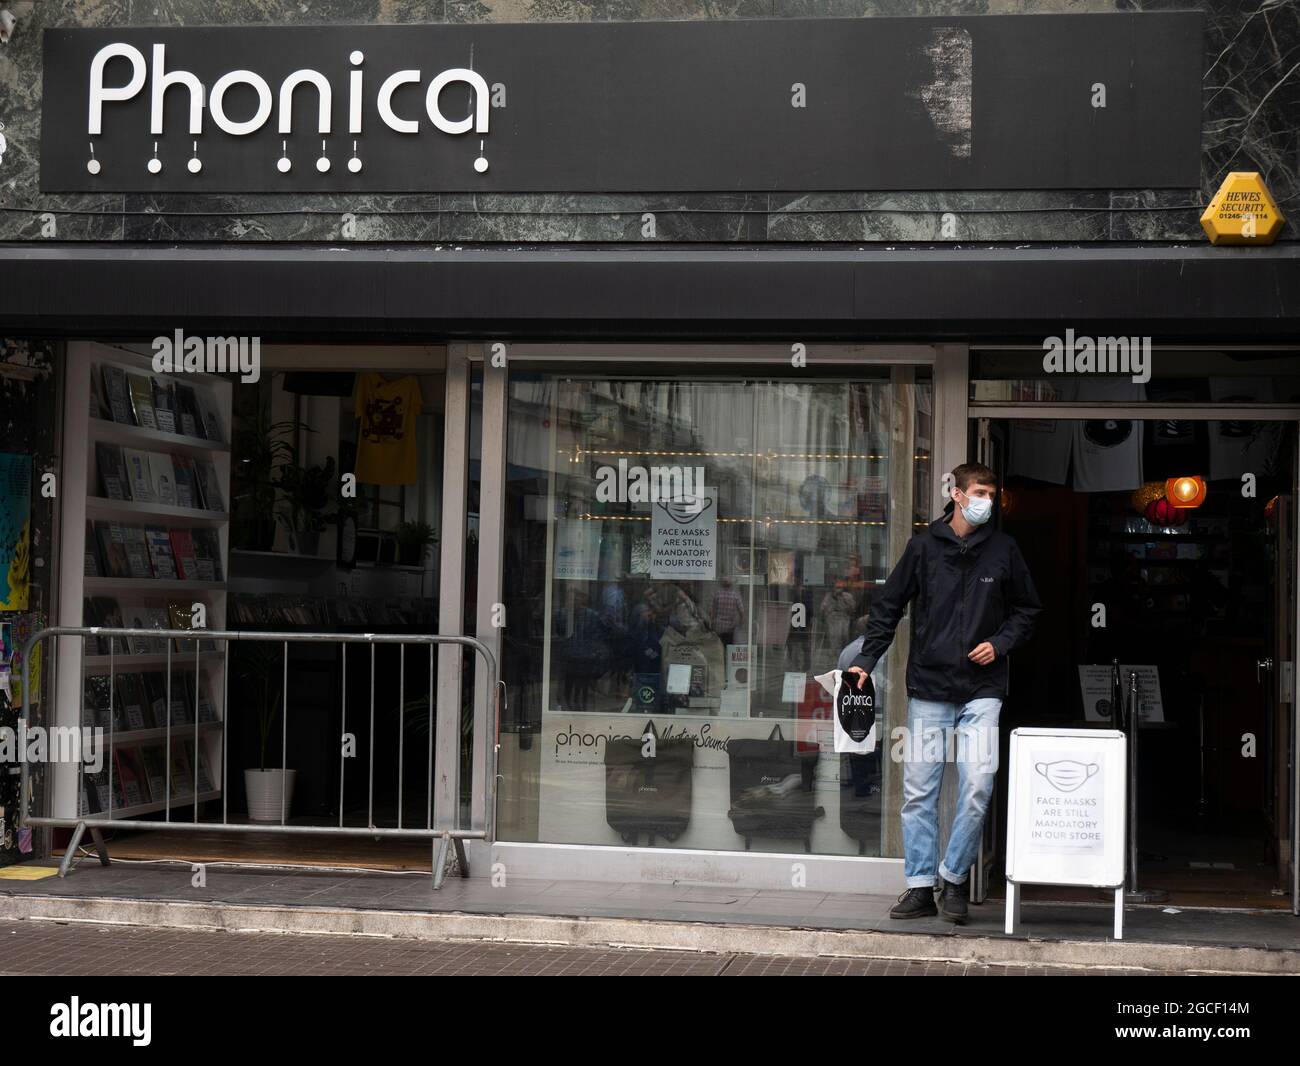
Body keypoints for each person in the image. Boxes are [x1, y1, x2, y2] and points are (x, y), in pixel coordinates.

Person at [840, 462, 1041, 924]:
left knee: (977, 786)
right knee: (919, 793)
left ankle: (952, 880)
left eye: (991, 493)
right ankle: (918, 887)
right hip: (930, 688)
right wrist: (864, 663)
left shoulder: (1004, 549)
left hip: (982, 691)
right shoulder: (924, 548)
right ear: (957, 493)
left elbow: (1029, 610)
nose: (986, 500)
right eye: (981, 492)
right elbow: (887, 608)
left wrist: (1001, 643)